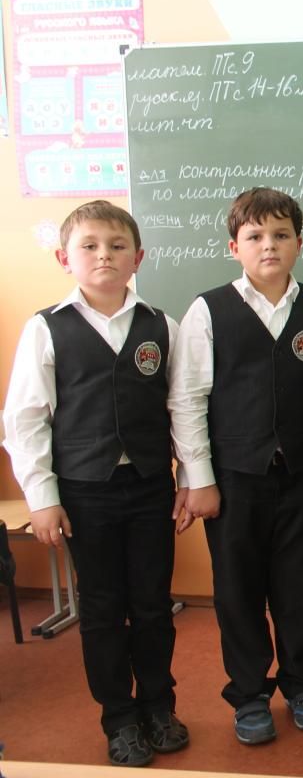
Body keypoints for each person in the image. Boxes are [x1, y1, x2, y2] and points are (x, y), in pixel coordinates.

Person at [3, 200, 188, 767]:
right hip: (85, 491)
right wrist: (42, 498)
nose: (104, 255)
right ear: (65, 258)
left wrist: (190, 478)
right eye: (89, 246)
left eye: (116, 245)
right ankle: (119, 716)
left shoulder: (161, 325)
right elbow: (25, 420)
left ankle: (158, 706)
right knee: (103, 607)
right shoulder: (46, 328)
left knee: (153, 603)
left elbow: (183, 409)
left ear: (138, 257)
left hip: (150, 486)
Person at [170, 188, 303, 744]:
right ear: (233, 246)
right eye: (255, 236)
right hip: (234, 479)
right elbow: (188, 399)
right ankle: (249, 694)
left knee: (300, 587)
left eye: (281, 235)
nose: (269, 245)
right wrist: (199, 479)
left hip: (301, 474)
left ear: (299, 244)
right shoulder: (208, 310)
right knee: (238, 592)